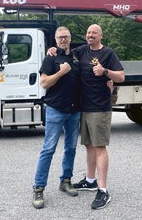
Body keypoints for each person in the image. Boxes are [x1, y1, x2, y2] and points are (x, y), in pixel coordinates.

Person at [48, 24, 125, 210]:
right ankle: (90, 181)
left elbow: (121, 77)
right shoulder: (81, 51)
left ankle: (103, 190)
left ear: (101, 35)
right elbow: (65, 49)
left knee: (99, 147)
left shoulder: (108, 53)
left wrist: (105, 72)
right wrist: (53, 49)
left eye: (94, 33)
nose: (90, 35)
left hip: (100, 108)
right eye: (88, 33)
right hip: (84, 108)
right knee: (89, 146)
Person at [32, 26, 81, 209]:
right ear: (55, 39)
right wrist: (61, 72)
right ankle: (38, 188)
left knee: (71, 148)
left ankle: (66, 180)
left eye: (66, 37)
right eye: (60, 37)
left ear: (70, 38)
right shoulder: (50, 58)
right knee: (48, 149)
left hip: (74, 111)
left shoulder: (77, 57)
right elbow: (44, 83)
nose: (63, 40)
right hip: (55, 110)